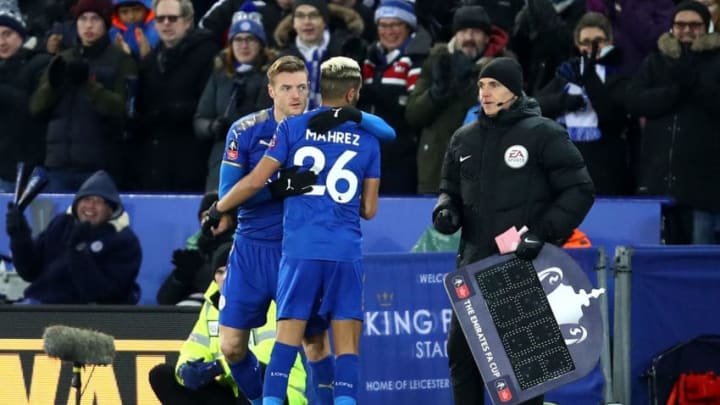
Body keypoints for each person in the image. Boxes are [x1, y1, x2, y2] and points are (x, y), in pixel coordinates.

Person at [202, 55, 394, 405]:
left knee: (315, 343)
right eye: (287, 88)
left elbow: (382, 133)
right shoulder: (245, 131)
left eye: (303, 88)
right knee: (231, 347)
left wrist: (351, 114)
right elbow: (232, 195)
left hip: (297, 250)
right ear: (271, 91)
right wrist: (275, 189)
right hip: (253, 248)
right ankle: (262, 399)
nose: (296, 95)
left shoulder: (316, 127)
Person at [432, 57, 595, 405]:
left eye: (494, 85)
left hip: (521, 267)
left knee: (524, 369)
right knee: (462, 358)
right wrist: (446, 210)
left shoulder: (543, 133)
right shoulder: (464, 138)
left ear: (514, 91)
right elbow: (450, 188)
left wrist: (544, 233)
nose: (485, 92)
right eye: (481, 85)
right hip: (473, 267)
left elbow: (580, 189)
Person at [149, 244, 308, 405]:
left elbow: (269, 354)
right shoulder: (212, 305)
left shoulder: (268, 301)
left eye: (230, 270)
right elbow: (195, 345)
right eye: (220, 272)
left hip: (281, 391)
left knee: (251, 376)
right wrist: (185, 370)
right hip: (233, 389)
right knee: (161, 376)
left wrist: (220, 366)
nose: (225, 277)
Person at [625, 0, 720, 244]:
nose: (687, 30)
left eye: (694, 25)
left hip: (705, 188)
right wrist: (676, 91)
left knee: (700, 263)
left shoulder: (716, 60)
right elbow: (635, 102)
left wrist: (692, 83)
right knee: (658, 261)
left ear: (707, 27)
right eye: (680, 24)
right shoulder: (655, 61)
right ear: (672, 27)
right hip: (657, 182)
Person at [29, 0, 137, 192]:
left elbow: (122, 110)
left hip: (99, 167)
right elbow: (36, 107)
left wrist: (88, 84)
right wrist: (53, 86)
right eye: (83, 19)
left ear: (105, 23)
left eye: (95, 19)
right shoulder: (62, 58)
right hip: (58, 165)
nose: (88, 25)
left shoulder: (121, 60)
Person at [406, 4, 513, 194]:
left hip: (487, 175)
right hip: (437, 172)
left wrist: (469, 84)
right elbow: (413, 115)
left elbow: (510, 114)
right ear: (455, 35)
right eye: (463, 31)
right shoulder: (436, 60)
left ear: (487, 37)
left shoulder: (504, 66)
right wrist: (436, 94)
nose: (469, 38)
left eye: (476, 32)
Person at [5, 170, 142, 304]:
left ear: (111, 210)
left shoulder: (124, 241)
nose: (90, 206)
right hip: (40, 307)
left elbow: (105, 295)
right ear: (76, 203)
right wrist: (19, 234)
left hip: (87, 317)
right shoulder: (61, 224)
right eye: (87, 199)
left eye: (99, 201)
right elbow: (29, 271)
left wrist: (78, 251)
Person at [535, 11, 633, 195]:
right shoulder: (565, 75)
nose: (592, 48)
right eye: (586, 42)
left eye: (598, 41)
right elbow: (533, 108)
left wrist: (589, 79)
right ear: (577, 45)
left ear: (610, 42)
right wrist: (562, 101)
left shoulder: (620, 77)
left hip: (606, 174)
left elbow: (614, 118)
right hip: (564, 173)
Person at [135, 0, 220, 191]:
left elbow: (208, 106)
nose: (166, 23)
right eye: (160, 18)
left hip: (192, 161)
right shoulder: (150, 61)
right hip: (155, 164)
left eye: (172, 18)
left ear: (188, 21)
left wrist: (170, 111)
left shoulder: (207, 53)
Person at [194, 9, 273, 191]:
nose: (244, 45)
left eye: (250, 39)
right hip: (222, 158)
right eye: (238, 39)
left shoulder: (270, 76)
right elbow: (200, 119)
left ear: (261, 44)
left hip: (258, 157)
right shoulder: (220, 75)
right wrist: (212, 127)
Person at [359, 0, 431, 194]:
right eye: (383, 25)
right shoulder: (369, 57)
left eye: (395, 24)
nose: (388, 31)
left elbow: (411, 109)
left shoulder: (417, 58)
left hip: (401, 156)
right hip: (367, 154)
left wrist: (377, 94)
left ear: (408, 27)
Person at [273, 0, 367, 110]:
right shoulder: (282, 59)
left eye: (314, 15)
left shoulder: (348, 51)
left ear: (325, 20)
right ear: (293, 23)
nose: (307, 22)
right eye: (300, 16)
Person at [0, 0, 50, 192]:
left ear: (20, 34)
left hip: (31, 170)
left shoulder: (39, 62)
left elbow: (34, 106)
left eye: (7, 34)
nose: (2, 42)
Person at [156, 192, 236, 305]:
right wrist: (180, 277)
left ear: (231, 219)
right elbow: (163, 300)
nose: (211, 222)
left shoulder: (239, 250)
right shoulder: (195, 253)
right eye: (206, 217)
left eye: (218, 217)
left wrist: (203, 270)